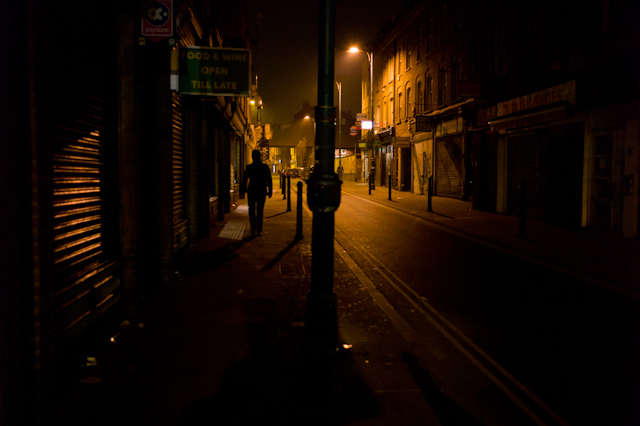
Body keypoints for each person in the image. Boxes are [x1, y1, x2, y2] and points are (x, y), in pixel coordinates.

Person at [240, 150, 272, 236]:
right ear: (260, 156)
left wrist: (242, 192)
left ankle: (253, 228)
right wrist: (270, 191)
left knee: (251, 210)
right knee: (260, 211)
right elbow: (269, 179)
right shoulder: (264, 167)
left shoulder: (249, 167)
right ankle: (259, 229)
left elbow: (244, 181)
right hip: (261, 190)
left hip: (252, 191)